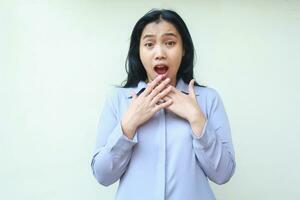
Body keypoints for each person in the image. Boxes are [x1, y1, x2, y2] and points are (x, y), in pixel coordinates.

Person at [91, 9, 236, 200]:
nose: (160, 53)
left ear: (184, 49)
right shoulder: (117, 99)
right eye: (149, 44)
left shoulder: (208, 99)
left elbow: (223, 174)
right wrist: (128, 125)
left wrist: (197, 119)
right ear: (138, 51)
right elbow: (103, 175)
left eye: (170, 43)